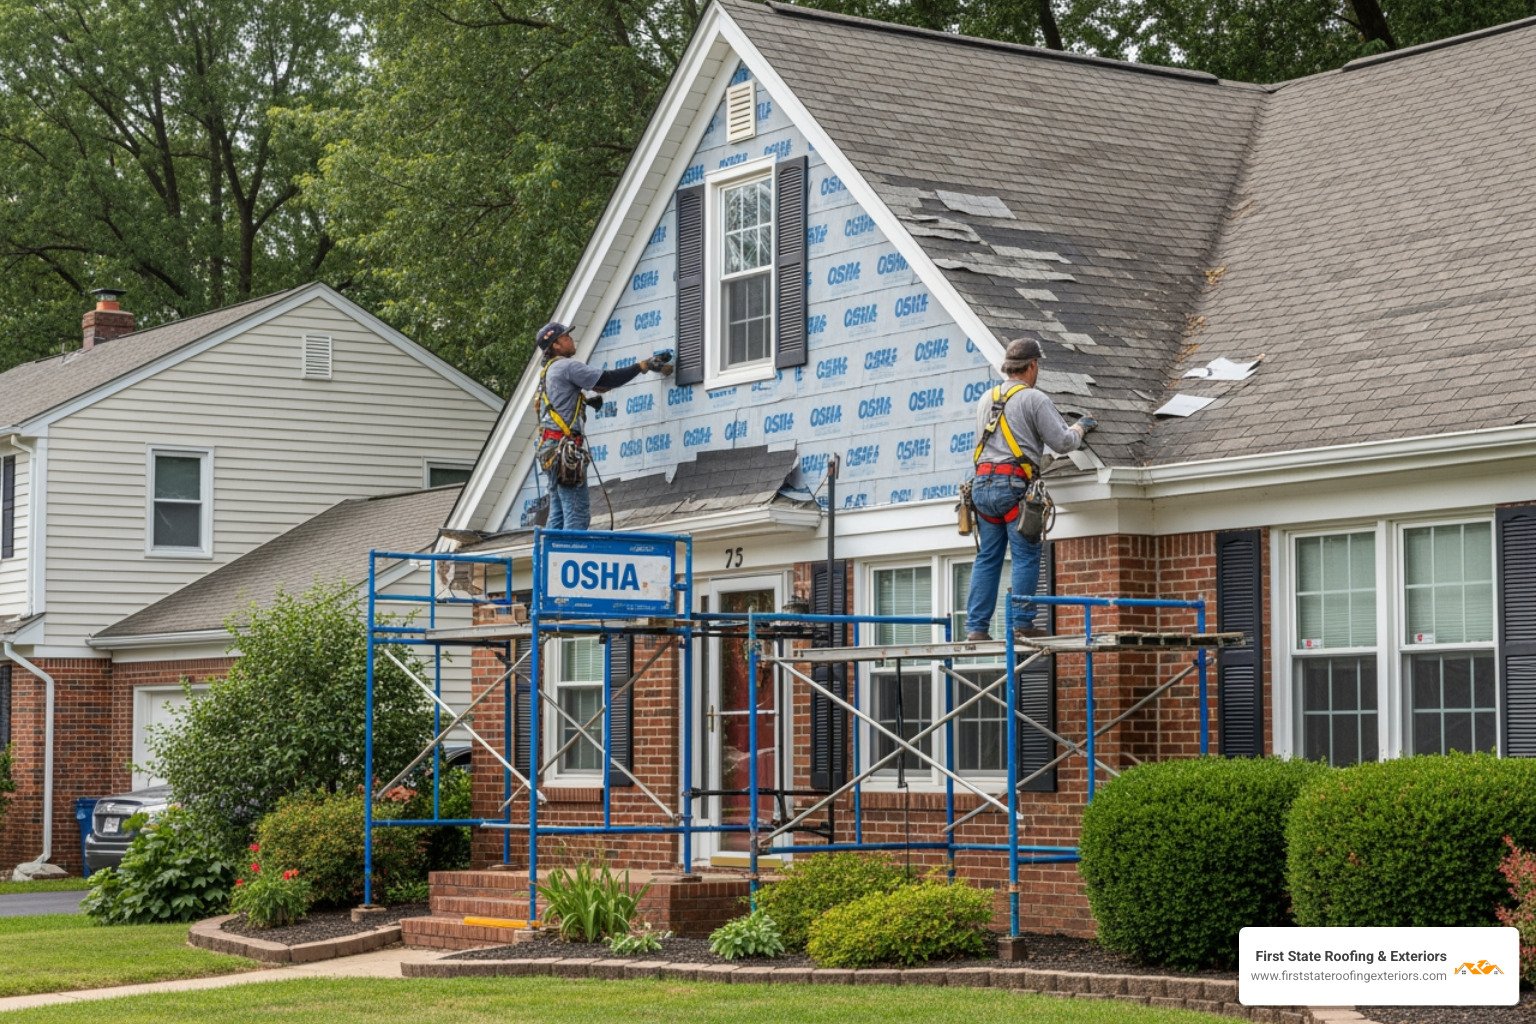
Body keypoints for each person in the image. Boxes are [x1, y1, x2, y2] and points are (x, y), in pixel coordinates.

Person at [964, 335, 1096, 641]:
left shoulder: (986, 398)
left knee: (988, 557)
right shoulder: (1034, 399)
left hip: (982, 487)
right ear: (1032, 366)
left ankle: (976, 628)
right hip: (1012, 486)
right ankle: (1022, 622)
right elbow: (1062, 442)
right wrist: (1080, 427)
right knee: (1025, 555)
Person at [533, 321, 672, 530]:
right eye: (565, 337)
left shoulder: (547, 373)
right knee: (577, 514)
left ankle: (547, 557)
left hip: (549, 449)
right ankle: (570, 557)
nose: (571, 339)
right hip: (564, 450)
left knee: (559, 512)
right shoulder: (567, 366)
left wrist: (586, 401)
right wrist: (641, 366)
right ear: (556, 346)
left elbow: (597, 387)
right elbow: (606, 380)